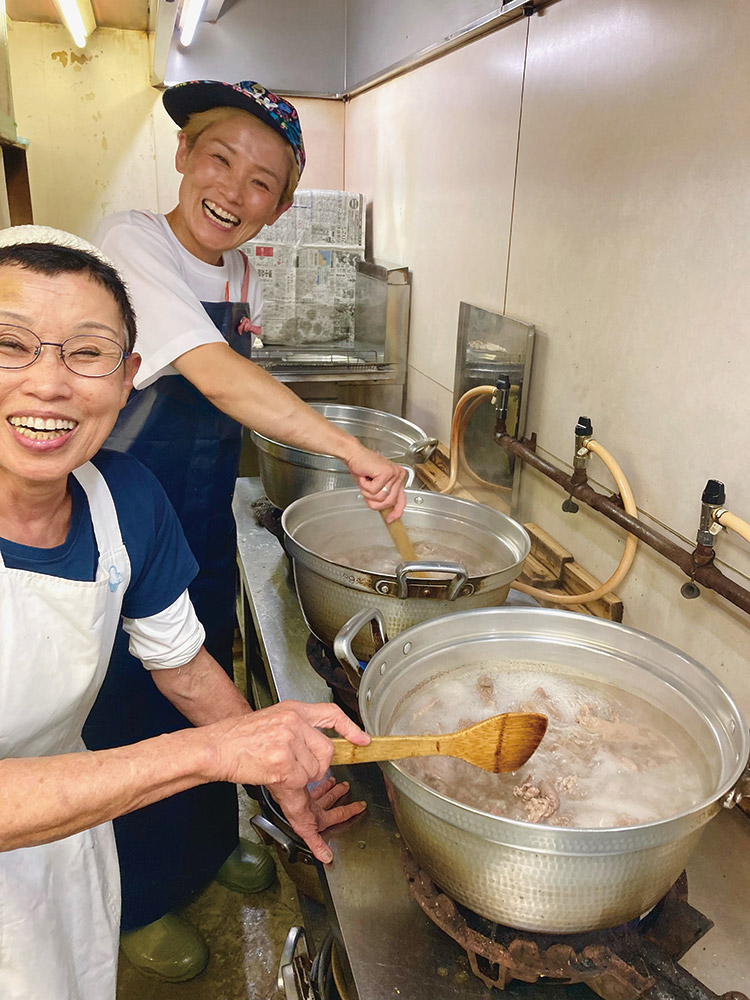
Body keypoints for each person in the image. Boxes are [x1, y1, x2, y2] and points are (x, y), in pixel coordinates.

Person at [81, 78, 407, 980]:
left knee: (215, 687)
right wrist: (348, 448)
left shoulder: (236, 266)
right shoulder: (129, 242)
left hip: (201, 524)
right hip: (125, 528)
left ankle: (201, 849)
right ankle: (139, 896)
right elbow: (217, 378)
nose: (234, 189)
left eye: (264, 181)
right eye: (219, 158)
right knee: (132, 715)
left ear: (282, 206)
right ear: (182, 155)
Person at [0, 224, 371, 1000]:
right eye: (11, 344)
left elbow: (185, 668)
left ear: (130, 374)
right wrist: (213, 755)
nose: (48, 384)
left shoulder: (123, 500)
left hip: (64, 854)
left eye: (87, 352)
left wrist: (278, 774)